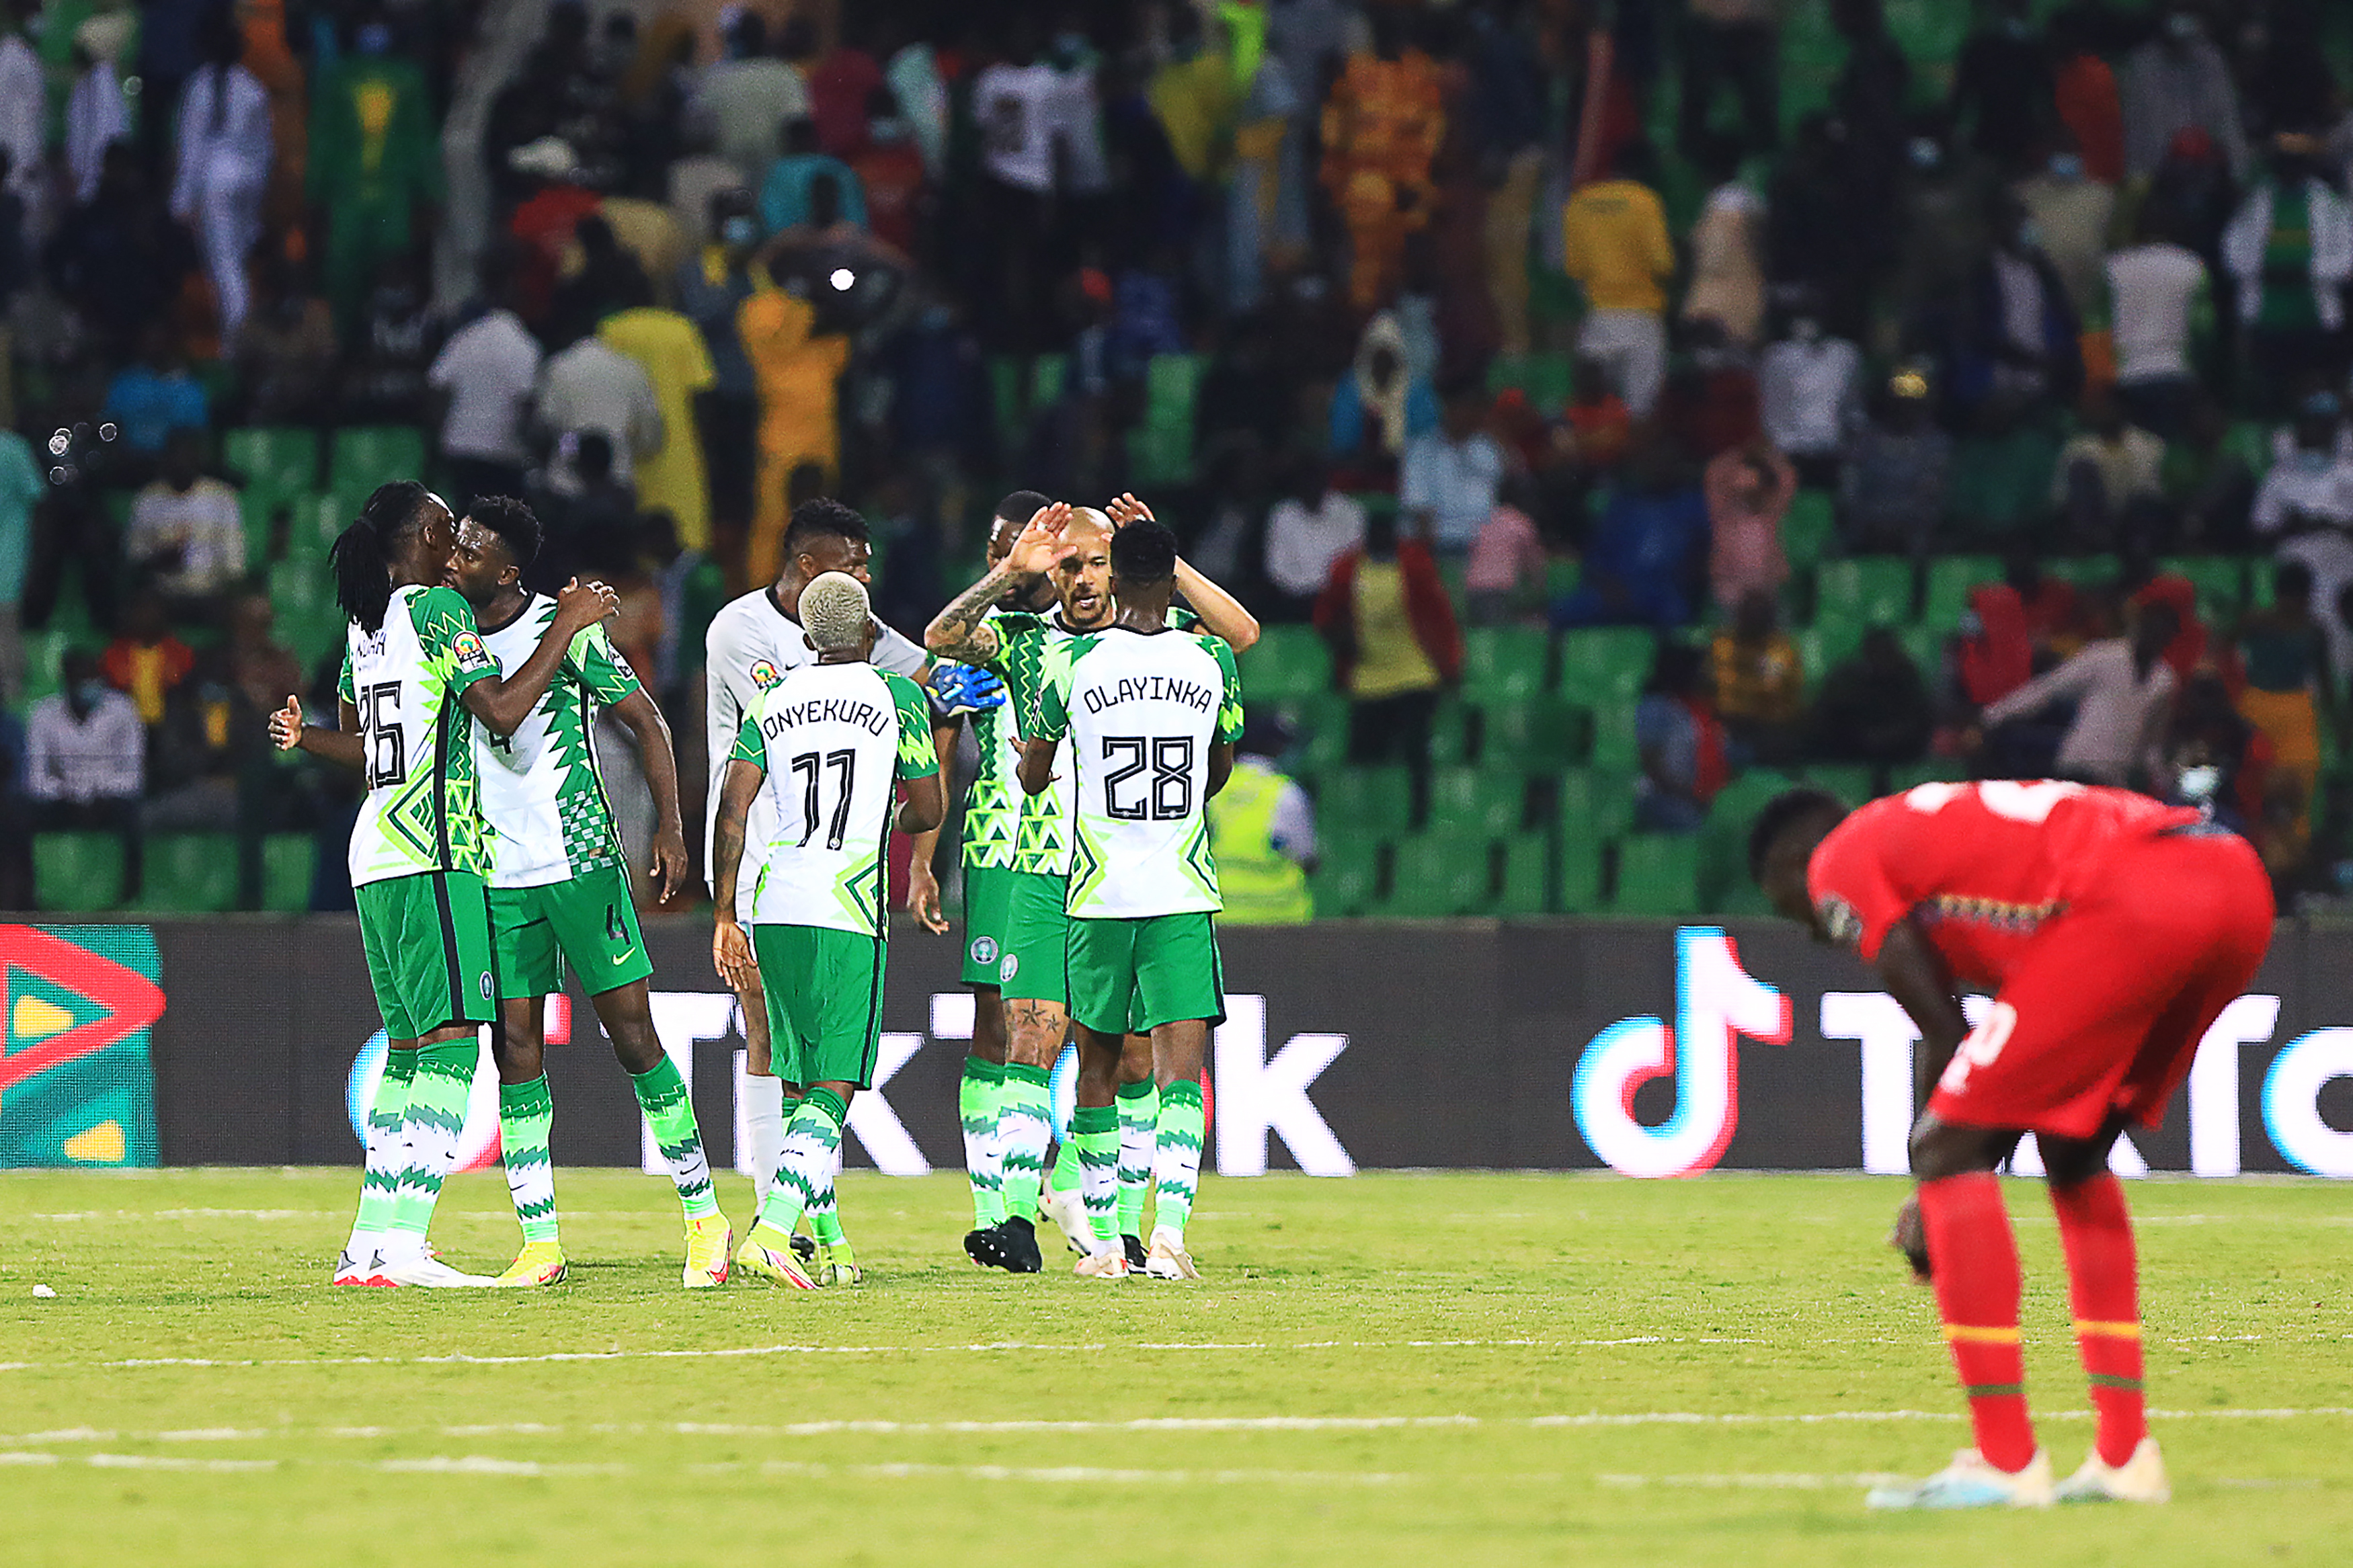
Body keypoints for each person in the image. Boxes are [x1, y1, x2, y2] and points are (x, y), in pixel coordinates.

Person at [1747, 779, 2274, 1507]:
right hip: (2233, 880)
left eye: (1793, 908)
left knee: (1941, 1150)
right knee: (2074, 1153)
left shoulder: (1836, 857)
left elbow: (1942, 1026)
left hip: (2134, 894)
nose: (1814, 928)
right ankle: (2124, 1456)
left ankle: (2005, 1460)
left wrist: (1930, 1191)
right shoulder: (1928, 834)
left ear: (1793, 858)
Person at [269, 482, 618, 1288]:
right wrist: (565, 624)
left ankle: (368, 1244)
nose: (452, 544)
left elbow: (367, 744)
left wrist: (305, 737)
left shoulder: (364, 624)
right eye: (444, 530)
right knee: (456, 1043)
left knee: (408, 1049)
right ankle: (403, 1247)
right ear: (425, 536)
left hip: (375, 848)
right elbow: (497, 711)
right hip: (436, 848)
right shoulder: (433, 611)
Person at [928, 495, 1259, 1272]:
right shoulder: (1020, 640)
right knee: (1032, 1039)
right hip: (1043, 869)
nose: (1080, 578)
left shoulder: (1171, 640)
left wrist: (1161, 554)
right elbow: (940, 637)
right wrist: (1009, 572)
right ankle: (1012, 1217)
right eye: (1067, 564)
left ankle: (1106, 1216)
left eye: (1097, 561)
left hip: (1135, 872)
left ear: (1118, 567)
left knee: (1134, 1060)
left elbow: (1240, 632)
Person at [440, 498, 724, 1290]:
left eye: (471, 549)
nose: (455, 556)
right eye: (455, 543)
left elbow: (648, 721)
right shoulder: (446, 633)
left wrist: (671, 827)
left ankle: (704, 1216)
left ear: (507, 571)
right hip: (495, 870)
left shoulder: (565, 629)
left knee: (633, 1037)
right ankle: (540, 1240)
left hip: (579, 859)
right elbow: (488, 719)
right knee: (514, 1050)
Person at [1019, 518, 1244, 1281]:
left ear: (1113, 579)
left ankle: (1111, 1243)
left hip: (1096, 893)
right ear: (1172, 581)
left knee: (1097, 1074)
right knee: (1183, 1073)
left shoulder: (1073, 663)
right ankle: (1171, 1238)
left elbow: (1032, 773)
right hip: (1181, 890)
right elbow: (1218, 768)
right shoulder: (1210, 659)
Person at [713, 570, 944, 1290]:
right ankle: (773, 1230)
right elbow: (928, 807)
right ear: (869, 630)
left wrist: (725, 911)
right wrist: (889, 819)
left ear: (808, 637)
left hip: (775, 898)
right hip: (847, 905)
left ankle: (832, 1239)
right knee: (835, 1083)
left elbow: (732, 809)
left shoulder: (772, 698)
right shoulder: (897, 696)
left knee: (798, 1080)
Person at [1314, 507, 1461, 809]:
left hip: (1415, 672)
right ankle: (1369, 820)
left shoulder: (1416, 564)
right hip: (1368, 677)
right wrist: (1342, 638)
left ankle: (1419, 818)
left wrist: (1450, 665)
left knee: (1416, 753)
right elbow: (1326, 617)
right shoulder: (1348, 568)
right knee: (1365, 758)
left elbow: (1440, 617)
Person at [1979, 602, 2180, 788]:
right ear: (2139, 627)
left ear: (2170, 638)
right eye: (2151, 628)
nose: (2155, 635)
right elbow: (2049, 687)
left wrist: (2162, 778)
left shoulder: (2164, 680)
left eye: (2162, 632)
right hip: (2078, 766)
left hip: (2116, 776)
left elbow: (2152, 741)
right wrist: (1993, 715)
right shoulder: (2104, 657)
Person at [168, 15, 272, 344]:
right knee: (236, 265)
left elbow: (192, 146)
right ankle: (238, 335)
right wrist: (256, 201)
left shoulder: (200, 87)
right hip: (246, 181)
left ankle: (238, 341)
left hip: (216, 184)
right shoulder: (253, 88)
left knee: (225, 267)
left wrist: (182, 201)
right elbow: (264, 149)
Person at [598, 286, 717, 552]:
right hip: (680, 448)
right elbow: (702, 392)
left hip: (628, 447)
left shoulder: (612, 329)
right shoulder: (681, 329)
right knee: (685, 532)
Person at [1561, 140, 1675, 417]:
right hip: (1642, 319)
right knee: (1642, 412)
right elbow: (1663, 264)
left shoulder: (1580, 202)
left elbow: (1575, 268)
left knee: (1592, 410)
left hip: (1599, 319)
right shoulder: (1646, 201)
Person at [25, 650, 143, 902]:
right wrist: (68, 794)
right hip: (63, 800)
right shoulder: (43, 714)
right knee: (21, 816)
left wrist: (99, 792)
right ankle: (32, 895)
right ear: (67, 679)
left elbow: (133, 776)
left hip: (110, 798)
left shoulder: (123, 710)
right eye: (82, 677)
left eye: (94, 676)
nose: (89, 683)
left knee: (134, 816)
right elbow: (36, 779)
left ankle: (130, 893)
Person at [430, 254, 544, 510]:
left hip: (460, 449)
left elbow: (437, 386)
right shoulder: (524, 345)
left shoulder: (466, 337)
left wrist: (440, 436)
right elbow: (526, 402)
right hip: (501, 454)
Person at [2232, 559, 2334, 837]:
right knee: (2254, 776)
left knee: (2301, 775)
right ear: (2279, 595)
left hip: (2297, 709)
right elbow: (2223, 652)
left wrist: (2338, 724)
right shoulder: (2255, 621)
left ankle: (2294, 846)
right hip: (2256, 705)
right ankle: (2249, 839)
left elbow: (2325, 681)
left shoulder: (2315, 631)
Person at [1209, 710, 1315, 925]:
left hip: (1221, 913)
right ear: (1276, 749)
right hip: (1279, 917)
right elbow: (1307, 856)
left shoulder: (1214, 788)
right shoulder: (1286, 793)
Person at [124, 429, 245, 617]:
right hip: (163, 594)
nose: (181, 464)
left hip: (210, 592)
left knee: (238, 608)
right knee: (140, 608)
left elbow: (234, 561)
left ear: (199, 461)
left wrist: (226, 584)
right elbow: (135, 557)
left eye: (187, 458)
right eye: (176, 458)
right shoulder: (148, 498)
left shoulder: (222, 497)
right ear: (166, 461)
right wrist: (158, 560)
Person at [1400, 382, 1506, 554]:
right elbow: (1418, 508)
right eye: (1462, 407)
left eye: (1473, 407)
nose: (1468, 413)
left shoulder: (1488, 449)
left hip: (1483, 545)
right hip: (1440, 543)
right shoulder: (1421, 449)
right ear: (1448, 408)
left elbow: (1500, 500)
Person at [1634, 641, 1727, 833]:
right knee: (1699, 832)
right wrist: (1688, 796)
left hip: (1691, 799)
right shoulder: (1655, 707)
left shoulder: (1695, 708)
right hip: (1660, 798)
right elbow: (1652, 767)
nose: (1704, 674)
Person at [1810, 626, 1933, 767]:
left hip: (1901, 753)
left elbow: (1919, 718)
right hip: (1852, 752)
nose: (1881, 659)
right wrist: (1864, 736)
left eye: (1886, 653)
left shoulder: (1908, 678)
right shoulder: (1848, 678)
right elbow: (1832, 715)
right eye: (1876, 652)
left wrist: (1889, 736)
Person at [1262, 455, 1366, 618]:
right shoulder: (1283, 514)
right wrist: (1306, 589)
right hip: (1297, 598)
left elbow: (1355, 560)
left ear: (1325, 481)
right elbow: (1278, 569)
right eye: (1303, 481)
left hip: (1340, 597)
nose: (1309, 486)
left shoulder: (1350, 511)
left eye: (1313, 480)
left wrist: (1330, 590)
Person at [1710, 590, 1804, 765]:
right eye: (1749, 614)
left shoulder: (1781, 649)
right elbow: (1718, 684)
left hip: (1769, 729)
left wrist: (1744, 693)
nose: (1754, 619)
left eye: (1760, 615)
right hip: (1729, 726)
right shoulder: (1723, 645)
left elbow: (1772, 688)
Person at [1706, 440, 1794, 614]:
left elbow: (1786, 478)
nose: (1746, 485)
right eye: (1741, 479)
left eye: (1752, 479)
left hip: (1767, 587)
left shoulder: (1772, 514)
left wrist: (1765, 457)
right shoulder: (1723, 515)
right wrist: (1739, 454)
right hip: (1731, 589)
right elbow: (1713, 475)